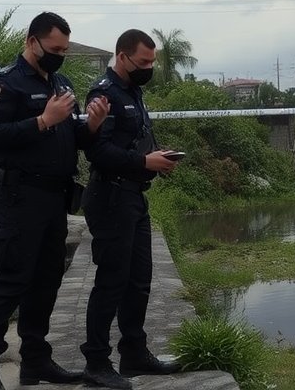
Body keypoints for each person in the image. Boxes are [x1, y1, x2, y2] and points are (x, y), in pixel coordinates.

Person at [0, 12, 109, 390]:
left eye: (64, 49)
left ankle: (35, 360)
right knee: (11, 280)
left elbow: (74, 138)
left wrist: (91, 126)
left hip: (54, 197)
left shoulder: (60, 82)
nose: (60, 55)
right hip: (20, 197)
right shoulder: (4, 85)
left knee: (46, 282)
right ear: (32, 42)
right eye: (55, 48)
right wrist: (42, 121)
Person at [79, 29, 183, 390]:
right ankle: (96, 361)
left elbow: (135, 142)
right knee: (111, 281)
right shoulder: (103, 93)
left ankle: (134, 353)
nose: (149, 68)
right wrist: (143, 161)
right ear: (122, 57)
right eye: (143, 62)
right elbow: (97, 152)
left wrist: (157, 158)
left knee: (139, 281)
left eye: (152, 61)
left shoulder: (133, 92)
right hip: (110, 198)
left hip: (134, 197)